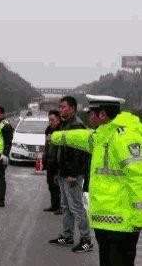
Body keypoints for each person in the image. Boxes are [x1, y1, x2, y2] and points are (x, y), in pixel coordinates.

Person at [51, 95, 141, 265]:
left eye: (91, 113)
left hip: (123, 225)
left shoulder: (124, 137)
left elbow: (138, 177)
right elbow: (80, 137)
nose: (89, 117)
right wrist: (56, 137)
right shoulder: (102, 135)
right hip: (106, 222)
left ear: (103, 115)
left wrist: (138, 218)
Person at [48, 96, 93, 253]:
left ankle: (86, 239)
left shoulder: (77, 125)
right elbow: (62, 149)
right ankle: (67, 236)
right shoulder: (65, 124)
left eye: (63, 107)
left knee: (76, 207)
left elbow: (81, 153)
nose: (60, 109)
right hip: (63, 173)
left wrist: (73, 173)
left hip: (72, 174)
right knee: (66, 206)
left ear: (72, 108)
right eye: (60, 107)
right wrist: (58, 172)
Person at [43, 109, 62, 215]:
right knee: (51, 185)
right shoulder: (48, 130)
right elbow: (47, 147)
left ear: (58, 120)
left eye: (52, 120)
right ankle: (54, 205)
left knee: (58, 187)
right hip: (49, 162)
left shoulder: (61, 131)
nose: (50, 122)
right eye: (49, 120)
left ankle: (61, 207)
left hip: (57, 163)